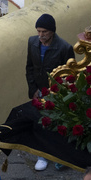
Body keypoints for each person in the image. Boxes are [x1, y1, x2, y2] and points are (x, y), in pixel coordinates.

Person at [25, 13, 74, 171]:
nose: (40, 35)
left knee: (58, 125)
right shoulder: (32, 42)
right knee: (40, 124)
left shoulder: (64, 48)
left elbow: (69, 75)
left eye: (44, 32)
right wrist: (33, 89)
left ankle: (60, 156)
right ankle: (42, 155)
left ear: (52, 31)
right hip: (39, 92)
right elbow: (30, 68)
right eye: (38, 31)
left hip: (56, 94)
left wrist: (58, 94)